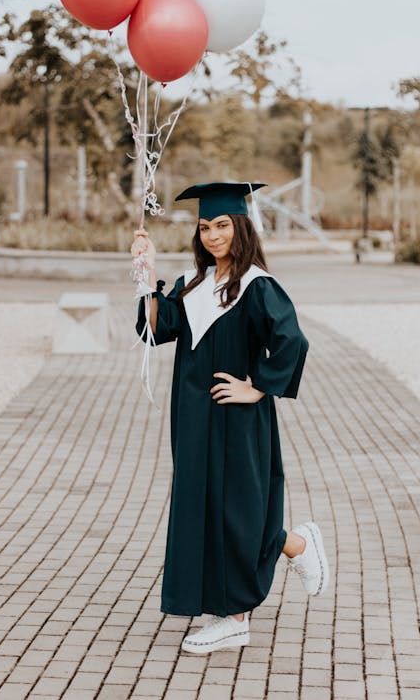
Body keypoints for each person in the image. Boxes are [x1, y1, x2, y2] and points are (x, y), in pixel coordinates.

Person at [131, 182, 329, 655]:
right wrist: (146, 277)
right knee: (207, 506)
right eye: (205, 227)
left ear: (241, 227)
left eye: (222, 225)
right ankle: (295, 546)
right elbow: (155, 330)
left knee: (237, 510)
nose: (213, 235)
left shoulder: (257, 285)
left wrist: (256, 386)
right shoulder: (192, 284)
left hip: (237, 419)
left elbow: (292, 341)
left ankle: (235, 618)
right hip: (194, 418)